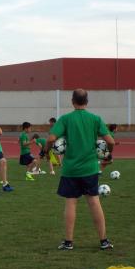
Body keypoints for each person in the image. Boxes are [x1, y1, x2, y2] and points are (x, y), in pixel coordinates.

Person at [45, 89, 115, 251]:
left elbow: (50, 138)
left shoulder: (65, 119)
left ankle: (68, 242)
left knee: (71, 203)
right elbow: (110, 140)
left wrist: (47, 151)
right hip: (90, 168)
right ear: (87, 101)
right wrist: (107, 153)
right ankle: (104, 241)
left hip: (71, 169)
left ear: (72, 101)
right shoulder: (95, 119)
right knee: (94, 202)